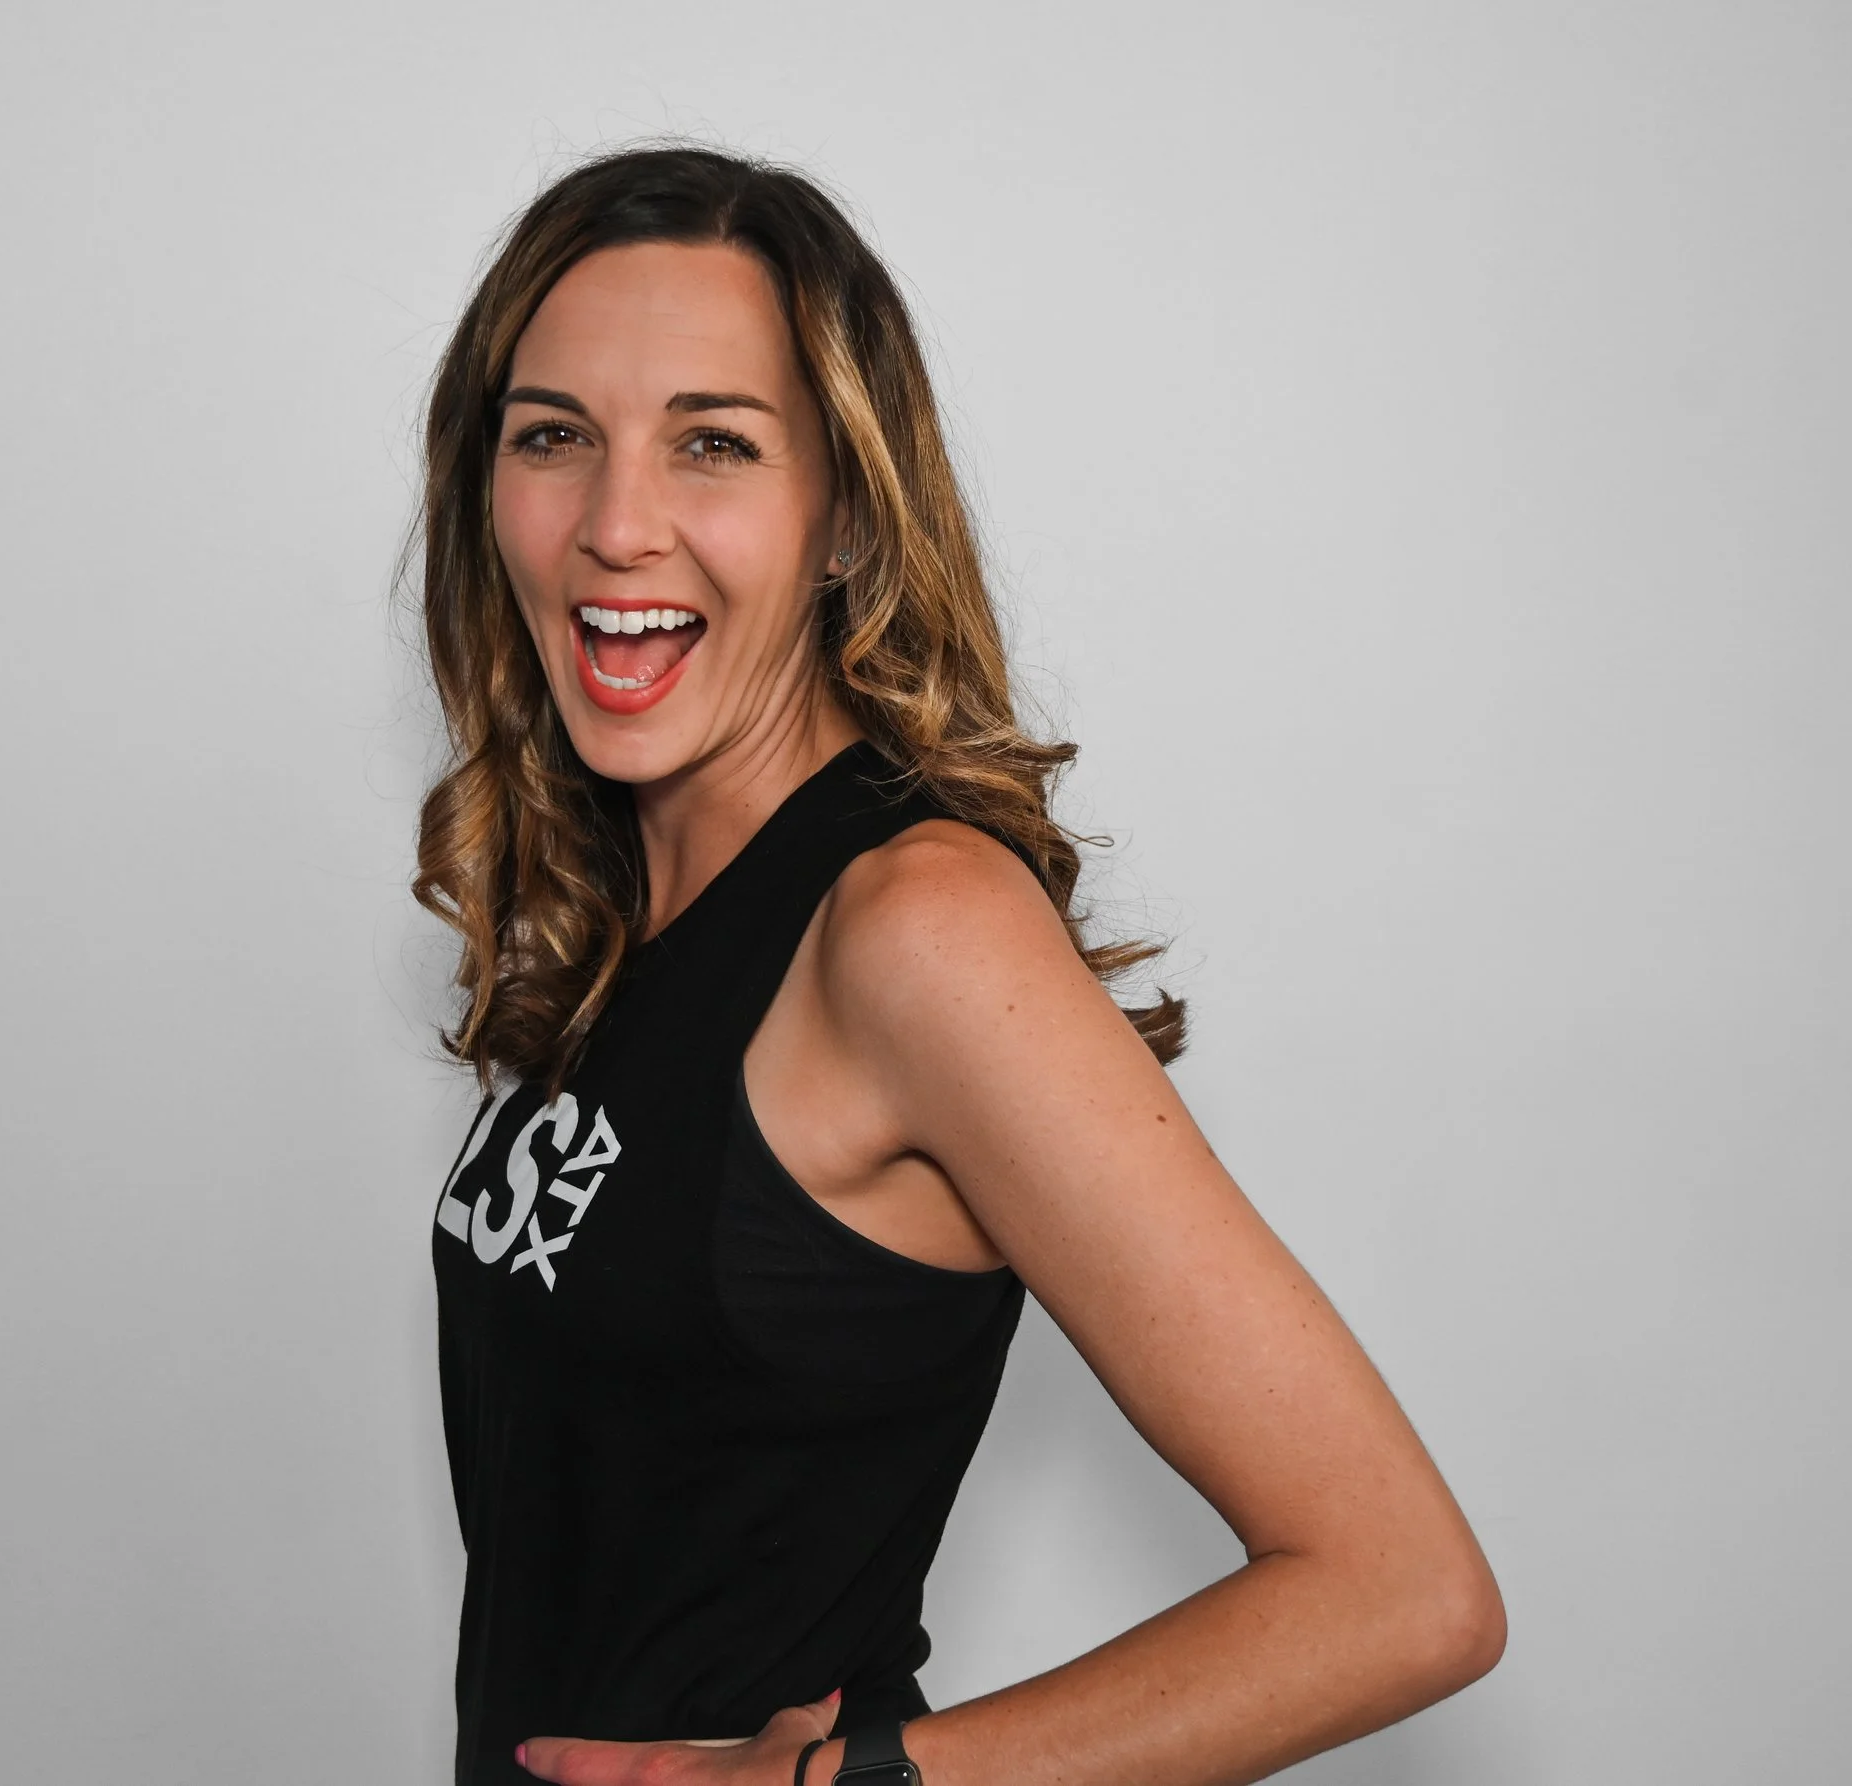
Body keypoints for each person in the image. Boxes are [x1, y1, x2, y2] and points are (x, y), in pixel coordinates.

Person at [413, 145, 1504, 1786]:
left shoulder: (912, 923)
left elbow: (1403, 1591)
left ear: (847, 515)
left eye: (715, 443)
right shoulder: (624, 906)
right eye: (553, 435)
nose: (616, 525)